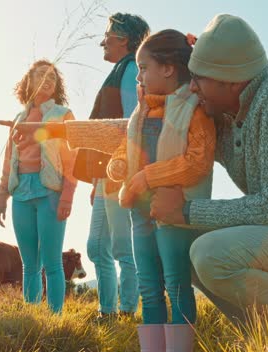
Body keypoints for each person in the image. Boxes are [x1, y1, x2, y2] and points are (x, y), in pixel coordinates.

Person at [29, 14, 268, 347]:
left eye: (198, 78)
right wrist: (55, 130)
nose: (192, 88)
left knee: (208, 251)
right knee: (189, 248)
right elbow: (136, 131)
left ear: (229, 78)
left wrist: (186, 211)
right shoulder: (224, 116)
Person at [0, 30, 217, 352]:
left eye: (144, 68)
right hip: (140, 210)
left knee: (175, 281)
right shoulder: (141, 114)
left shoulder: (193, 111)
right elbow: (117, 143)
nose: (138, 76)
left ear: (169, 69)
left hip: (175, 212)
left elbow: (197, 161)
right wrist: (119, 166)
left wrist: (147, 178)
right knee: (149, 282)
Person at [0, 60, 77, 313]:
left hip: (50, 191)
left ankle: (55, 319)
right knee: (29, 263)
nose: (48, 79)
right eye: (41, 75)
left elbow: (72, 158)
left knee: (52, 263)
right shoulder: (18, 118)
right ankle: (32, 318)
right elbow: (9, 159)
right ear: (28, 81)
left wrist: (67, 196)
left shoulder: (63, 115)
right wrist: (2, 195)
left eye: (52, 77)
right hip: (21, 192)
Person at [84, 13, 149, 321]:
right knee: (97, 247)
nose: (102, 41)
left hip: (119, 171)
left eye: (108, 34)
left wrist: (116, 174)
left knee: (123, 247)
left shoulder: (130, 70)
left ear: (123, 39)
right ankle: (108, 311)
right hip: (106, 174)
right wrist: (98, 181)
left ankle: (124, 313)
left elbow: (127, 126)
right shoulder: (122, 70)